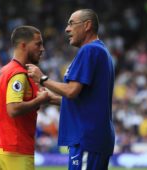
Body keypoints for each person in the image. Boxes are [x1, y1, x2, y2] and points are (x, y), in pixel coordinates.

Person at [27, 9, 115, 170]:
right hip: (94, 136)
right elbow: (85, 99)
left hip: (87, 137)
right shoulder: (100, 50)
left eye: (71, 23)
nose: (67, 29)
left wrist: (42, 79)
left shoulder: (89, 50)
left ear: (87, 25)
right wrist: (51, 98)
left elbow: (71, 91)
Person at [0, 26, 50, 170]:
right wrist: (39, 100)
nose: (42, 49)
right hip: (15, 148)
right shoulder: (18, 74)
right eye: (38, 44)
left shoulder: (5, 71)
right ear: (23, 45)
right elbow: (13, 108)